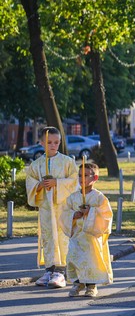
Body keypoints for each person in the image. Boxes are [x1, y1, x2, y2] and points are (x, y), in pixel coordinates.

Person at [25, 126, 78, 289]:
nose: (52, 145)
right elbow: (30, 183)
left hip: (63, 207)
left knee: (62, 236)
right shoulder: (36, 165)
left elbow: (75, 181)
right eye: (49, 142)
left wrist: (58, 183)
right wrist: (39, 185)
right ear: (41, 143)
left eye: (56, 142)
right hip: (46, 209)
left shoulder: (67, 162)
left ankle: (62, 271)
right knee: (48, 236)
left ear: (60, 143)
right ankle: (49, 269)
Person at [59, 162, 113, 298]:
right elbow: (64, 212)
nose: (82, 178)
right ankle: (78, 283)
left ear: (94, 178)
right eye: (79, 175)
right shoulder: (73, 197)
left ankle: (91, 286)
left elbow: (106, 215)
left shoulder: (99, 197)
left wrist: (91, 212)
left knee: (91, 260)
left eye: (85, 175)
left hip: (91, 238)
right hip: (77, 236)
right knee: (74, 258)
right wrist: (74, 215)